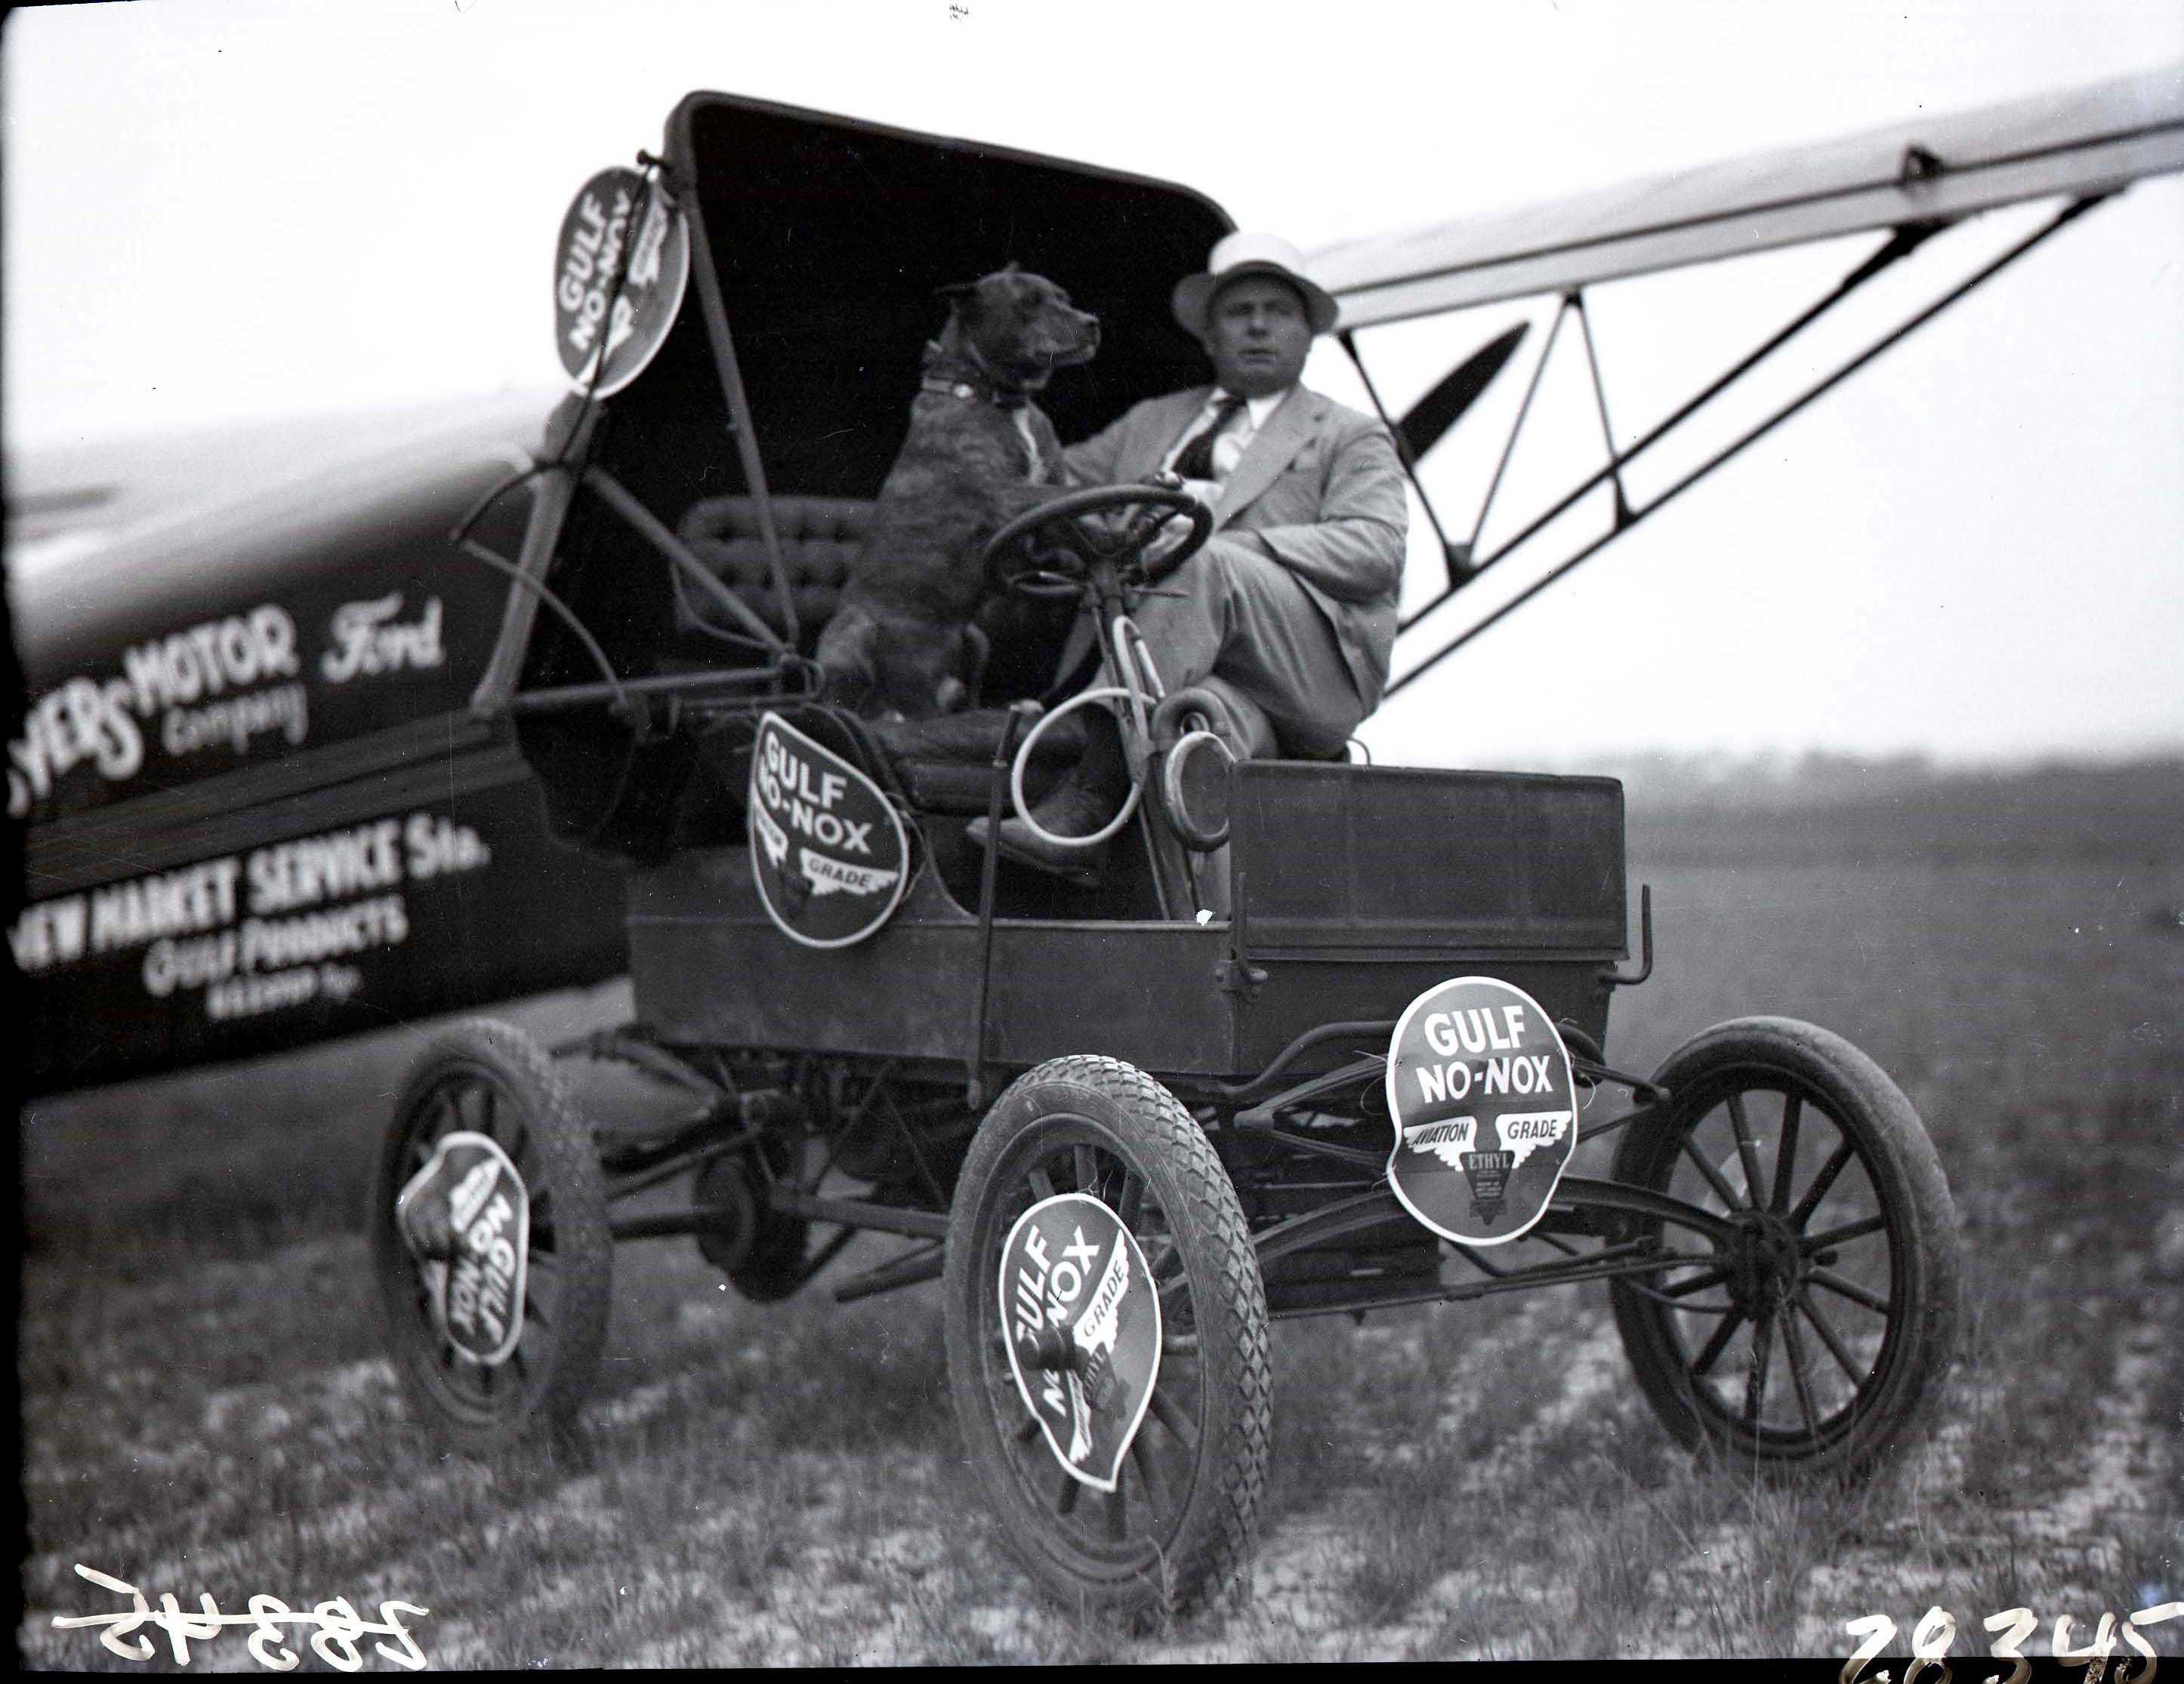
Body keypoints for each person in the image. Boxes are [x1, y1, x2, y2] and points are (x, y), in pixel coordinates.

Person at [970, 230, 1409, 874]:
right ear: (1208, 336)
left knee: (1207, 561)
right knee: (1198, 726)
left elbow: (1375, 549)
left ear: (1308, 336)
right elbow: (1050, 482)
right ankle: (1183, 916)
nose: (1257, 326)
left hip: (1303, 673)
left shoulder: (1351, 434)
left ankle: (1091, 791)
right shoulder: (1153, 421)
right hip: (1189, 676)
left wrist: (1234, 544)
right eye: (1238, 312)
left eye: (1278, 312)